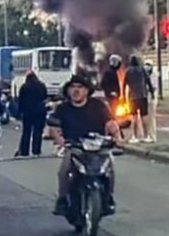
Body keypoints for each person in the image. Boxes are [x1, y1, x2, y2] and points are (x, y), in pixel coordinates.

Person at [50, 74, 122, 216]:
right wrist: (61, 142)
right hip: (75, 147)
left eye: (80, 87)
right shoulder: (62, 108)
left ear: (87, 90)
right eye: (72, 87)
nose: (76, 90)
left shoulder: (98, 105)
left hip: (98, 147)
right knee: (64, 171)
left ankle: (108, 198)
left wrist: (117, 137)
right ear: (67, 90)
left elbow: (110, 123)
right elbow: (54, 128)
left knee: (110, 169)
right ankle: (62, 200)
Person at [17, 70, 48, 157]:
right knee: (38, 131)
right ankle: (36, 151)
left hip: (27, 111)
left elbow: (20, 100)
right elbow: (45, 96)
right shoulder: (41, 85)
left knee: (26, 131)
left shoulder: (24, 87)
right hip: (40, 111)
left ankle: (24, 151)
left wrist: (19, 112)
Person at [124, 55, 153, 143]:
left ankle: (134, 136)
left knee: (134, 117)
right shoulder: (142, 70)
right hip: (143, 95)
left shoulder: (128, 71)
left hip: (132, 97)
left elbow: (124, 84)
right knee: (144, 116)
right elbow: (148, 81)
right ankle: (146, 136)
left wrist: (123, 96)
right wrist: (152, 93)